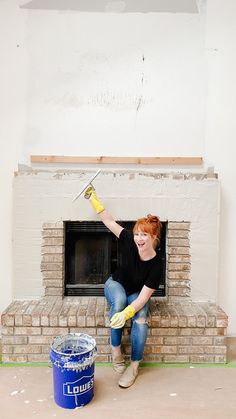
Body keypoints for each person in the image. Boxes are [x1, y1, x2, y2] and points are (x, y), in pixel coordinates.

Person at [84, 185, 162, 388]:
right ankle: (116, 351)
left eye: (144, 235)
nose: (139, 239)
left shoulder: (157, 265)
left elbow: (143, 298)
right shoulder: (128, 239)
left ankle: (134, 366)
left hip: (136, 293)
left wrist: (128, 313)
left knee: (141, 316)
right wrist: (94, 199)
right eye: (137, 234)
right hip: (116, 284)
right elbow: (108, 221)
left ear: (154, 238)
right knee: (118, 302)